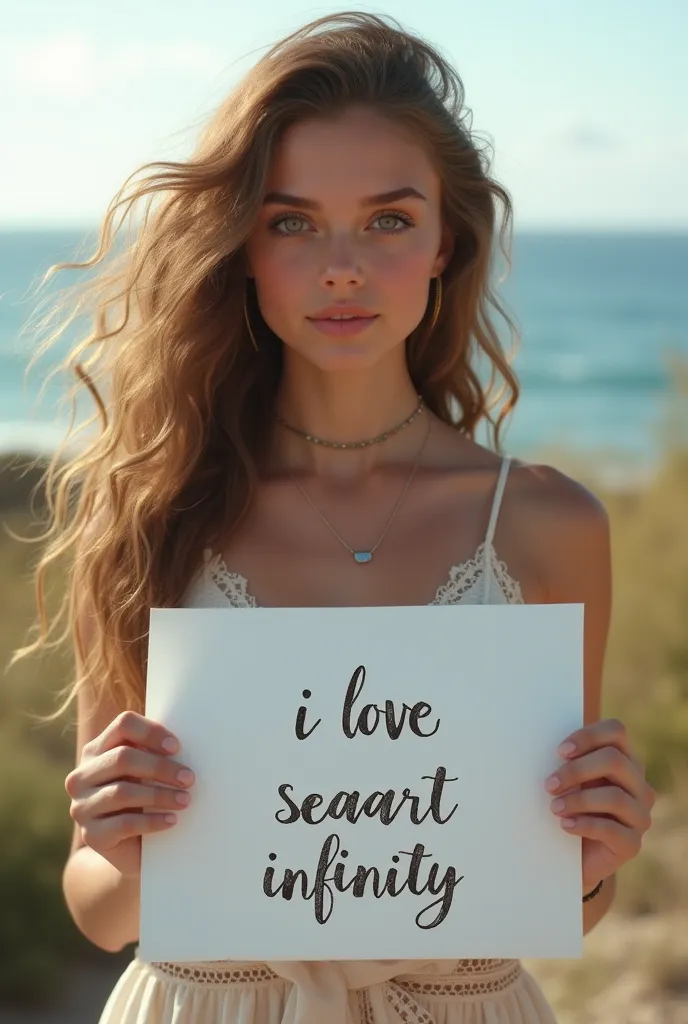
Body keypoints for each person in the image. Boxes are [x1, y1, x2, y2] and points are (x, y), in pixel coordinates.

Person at [14, 11, 655, 1024]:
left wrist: (594, 850)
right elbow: (100, 908)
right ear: (243, 247)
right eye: (292, 221)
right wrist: (122, 840)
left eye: (389, 219)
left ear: (447, 241)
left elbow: (568, 897)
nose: (343, 264)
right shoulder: (150, 510)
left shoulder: (545, 524)